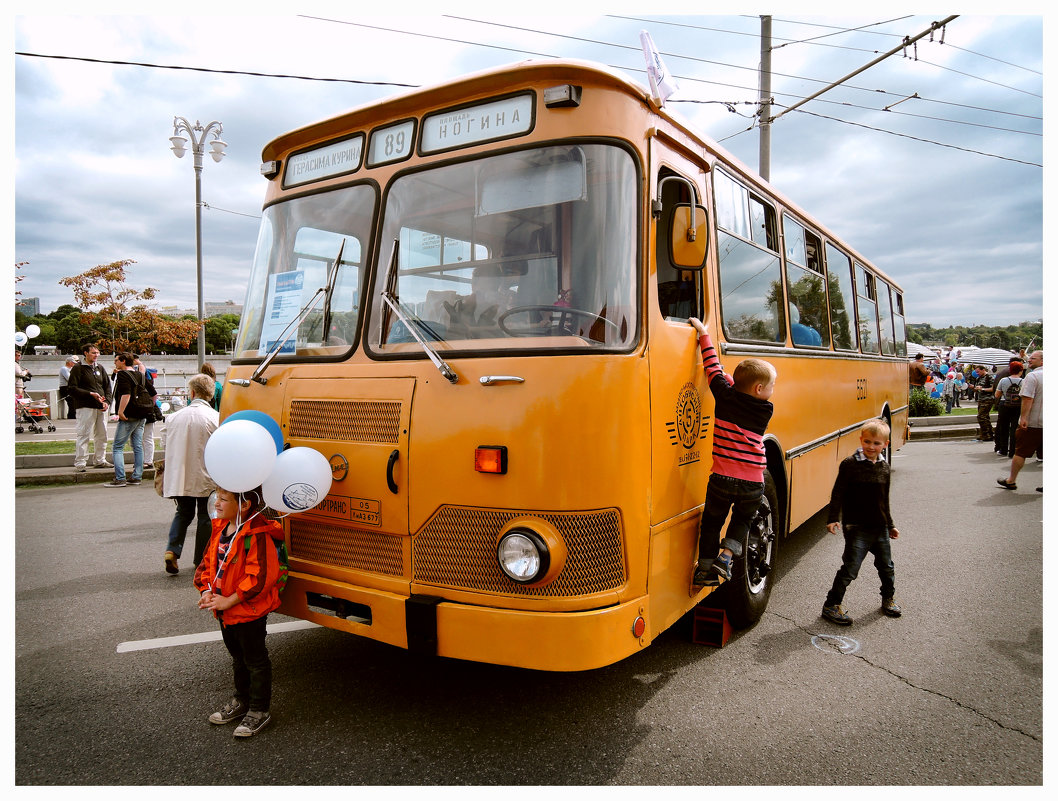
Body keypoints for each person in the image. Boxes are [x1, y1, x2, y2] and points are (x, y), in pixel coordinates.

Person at [688, 316, 776, 585]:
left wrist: (704, 333)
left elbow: (713, 370)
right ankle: (726, 555)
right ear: (759, 389)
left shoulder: (724, 396)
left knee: (712, 522)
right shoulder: (765, 410)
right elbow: (727, 383)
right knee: (742, 521)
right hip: (752, 482)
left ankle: (704, 570)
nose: (773, 391)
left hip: (721, 479)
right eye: (772, 386)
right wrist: (730, 381)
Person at [194, 487, 283, 738]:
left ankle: (259, 710)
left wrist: (229, 600)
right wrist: (206, 591)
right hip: (226, 613)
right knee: (238, 658)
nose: (217, 503)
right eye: (217, 498)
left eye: (223, 499)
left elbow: (261, 578)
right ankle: (241, 700)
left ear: (243, 505)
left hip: (248, 612)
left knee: (255, 661)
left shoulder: (256, 534)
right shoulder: (221, 529)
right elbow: (207, 565)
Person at [821, 419, 901, 625]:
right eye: (867, 442)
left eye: (876, 443)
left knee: (887, 567)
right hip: (857, 528)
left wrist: (890, 524)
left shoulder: (884, 467)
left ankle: (888, 599)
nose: (871, 447)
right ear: (861, 440)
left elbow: (885, 500)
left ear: (886, 444)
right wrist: (832, 519)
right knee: (850, 569)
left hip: (880, 528)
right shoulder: (850, 465)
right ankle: (831, 605)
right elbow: (837, 493)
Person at [160, 374, 219, 574]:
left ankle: (172, 550)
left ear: (192, 392)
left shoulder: (174, 417)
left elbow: (164, 443)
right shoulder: (215, 418)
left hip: (179, 475)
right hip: (205, 475)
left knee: (183, 513)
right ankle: (200, 559)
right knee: (205, 517)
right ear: (210, 395)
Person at [102, 352, 149, 487]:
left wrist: (120, 411)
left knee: (117, 447)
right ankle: (137, 476)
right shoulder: (139, 374)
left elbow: (126, 394)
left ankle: (120, 478)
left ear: (123, 361)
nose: (114, 363)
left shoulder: (123, 375)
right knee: (138, 446)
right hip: (142, 413)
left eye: (116, 360)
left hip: (129, 414)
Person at [998, 350, 1043, 491]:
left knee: (1021, 452)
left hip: (1034, 421)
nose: (1029, 360)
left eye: (1032, 359)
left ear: (1042, 361)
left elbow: (1027, 398)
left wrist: (1023, 417)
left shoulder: (1033, 376)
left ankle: (1011, 480)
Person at [67, 342, 113, 472]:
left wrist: (107, 402)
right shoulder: (78, 368)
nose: (96, 355)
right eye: (93, 353)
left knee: (102, 434)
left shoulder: (100, 368)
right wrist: (90, 394)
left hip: (101, 407)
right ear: (86, 353)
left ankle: (100, 460)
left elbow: (107, 387)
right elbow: (72, 389)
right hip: (85, 406)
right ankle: (81, 462)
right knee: (84, 434)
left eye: (97, 353)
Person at [133, 354, 161, 465]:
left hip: (147, 410)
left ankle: (148, 460)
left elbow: (154, 394)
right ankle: (146, 460)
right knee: (144, 437)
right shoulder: (145, 379)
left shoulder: (144, 380)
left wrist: (151, 406)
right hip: (146, 409)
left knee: (147, 437)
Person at [993, 361, 1024, 458]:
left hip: (1004, 404)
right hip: (1018, 406)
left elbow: (997, 395)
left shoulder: (1004, 380)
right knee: (1014, 428)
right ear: (1020, 370)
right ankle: (1013, 451)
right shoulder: (1023, 381)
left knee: (1004, 427)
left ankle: (1003, 449)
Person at [969, 365, 995, 442]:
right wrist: (973, 388)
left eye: (978, 371)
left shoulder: (989, 377)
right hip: (981, 399)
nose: (977, 373)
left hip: (988, 399)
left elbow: (993, 388)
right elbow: (977, 389)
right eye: (976, 372)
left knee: (981, 416)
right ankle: (987, 434)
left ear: (983, 370)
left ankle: (987, 435)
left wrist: (982, 389)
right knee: (984, 417)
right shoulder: (978, 378)